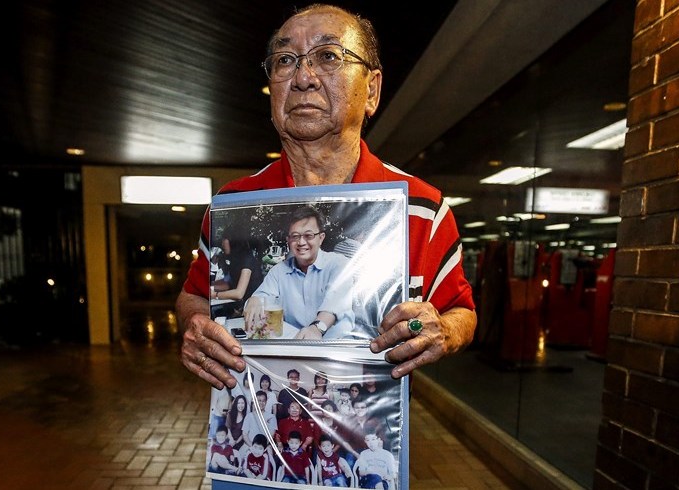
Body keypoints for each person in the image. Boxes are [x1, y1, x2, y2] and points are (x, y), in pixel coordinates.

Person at [177, 2, 477, 393]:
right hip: (264, 411)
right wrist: (194, 324)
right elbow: (194, 297)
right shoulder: (233, 204)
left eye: (328, 56)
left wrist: (440, 331)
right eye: (285, 60)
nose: (303, 77)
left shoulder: (422, 207)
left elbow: (461, 312)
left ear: (371, 90)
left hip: (364, 415)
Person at [242, 205, 354, 339]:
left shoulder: (339, 264)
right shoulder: (278, 271)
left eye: (308, 235)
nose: (301, 242)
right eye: (295, 236)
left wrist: (316, 328)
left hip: (336, 345)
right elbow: (263, 297)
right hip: (295, 344)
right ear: (288, 240)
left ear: (321, 238)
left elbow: (334, 304)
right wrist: (254, 300)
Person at [240, 390, 278, 461]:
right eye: (259, 400)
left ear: (266, 402)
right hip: (249, 445)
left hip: (264, 446)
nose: (261, 403)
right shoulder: (249, 416)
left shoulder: (271, 417)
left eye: (263, 401)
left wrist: (261, 447)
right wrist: (253, 447)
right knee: (240, 457)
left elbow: (271, 435)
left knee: (269, 460)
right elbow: (244, 434)